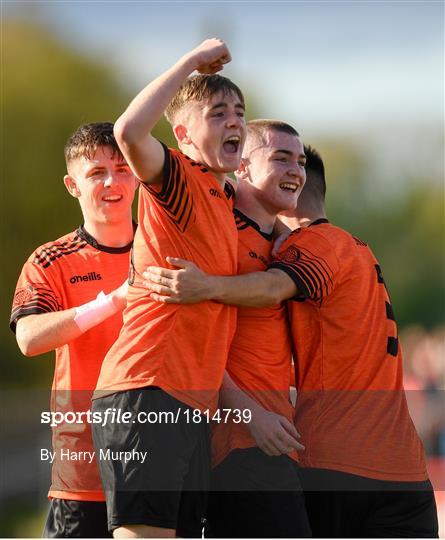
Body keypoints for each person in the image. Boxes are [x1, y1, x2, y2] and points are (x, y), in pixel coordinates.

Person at [143, 145, 438, 538]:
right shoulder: (355, 248)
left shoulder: (317, 244)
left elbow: (273, 287)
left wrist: (204, 286)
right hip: (405, 468)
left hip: (338, 462)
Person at [91, 39, 246, 538]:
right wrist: (190, 64)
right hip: (147, 391)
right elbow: (129, 131)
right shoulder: (181, 177)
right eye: (218, 112)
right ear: (182, 134)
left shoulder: (223, 200)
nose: (234, 122)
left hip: (188, 402)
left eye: (240, 113)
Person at [10, 122, 137, 538]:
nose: (111, 181)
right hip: (83, 465)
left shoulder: (167, 252)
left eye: (121, 169)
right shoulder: (52, 259)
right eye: (96, 172)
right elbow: (28, 338)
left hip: (161, 456)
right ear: (72, 185)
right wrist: (111, 302)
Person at [203, 119, 311, 538]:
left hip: (276, 436)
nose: (296, 171)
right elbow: (197, 341)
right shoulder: (219, 233)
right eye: (281, 158)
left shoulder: (286, 242)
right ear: (242, 167)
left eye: (299, 162)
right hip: (240, 440)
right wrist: (250, 415)